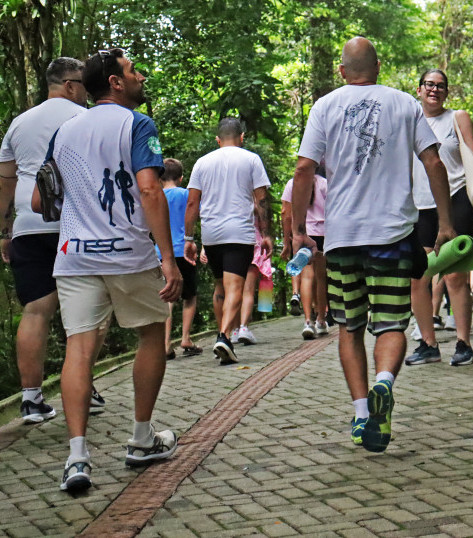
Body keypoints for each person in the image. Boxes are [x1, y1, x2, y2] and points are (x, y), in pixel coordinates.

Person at [291, 37, 455, 454]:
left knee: (350, 326)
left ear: (342, 71)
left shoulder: (325, 106)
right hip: (395, 233)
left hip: (343, 235)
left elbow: (305, 167)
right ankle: (385, 382)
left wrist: (298, 230)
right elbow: (433, 162)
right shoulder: (404, 103)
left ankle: (363, 413)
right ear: (378, 66)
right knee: (392, 324)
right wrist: (446, 224)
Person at [35, 47, 182, 493]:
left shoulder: (65, 131)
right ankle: (141, 439)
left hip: (75, 253)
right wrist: (169, 257)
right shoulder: (137, 124)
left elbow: (42, 200)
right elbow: (149, 190)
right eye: (132, 71)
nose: (139, 76)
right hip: (129, 252)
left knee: (79, 349)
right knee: (152, 333)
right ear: (115, 82)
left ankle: (77, 458)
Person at [0, 57, 106, 424]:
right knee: (93, 308)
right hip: (75, 223)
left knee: (35, 310)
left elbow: (5, 182)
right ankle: (82, 385)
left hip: (28, 225)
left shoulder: (18, 123)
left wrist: (5, 230)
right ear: (70, 85)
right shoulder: (83, 119)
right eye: (84, 86)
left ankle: (31, 400)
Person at [405, 71, 473, 367]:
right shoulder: (408, 118)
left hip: (456, 201)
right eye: (429, 85)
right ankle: (428, 344)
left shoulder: (458, 118)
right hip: (419, 206)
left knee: (454, 277)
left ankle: (464, 343)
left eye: (440, 86)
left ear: (446, 92)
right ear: (419, 89)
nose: (434, 90)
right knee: (419, 277)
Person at [183, 117, 272, 365]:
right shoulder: (251, 159)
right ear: (241, 137)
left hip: (211, 235)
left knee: (219, 287)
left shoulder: (202, 162)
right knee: (235, 287)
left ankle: (221, 336)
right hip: (239, 233)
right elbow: (261, 200)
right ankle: (225, 336)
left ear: (217, 139)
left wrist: (189, 238)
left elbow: (192, 203)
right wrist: (265, 234)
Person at [157, 158, 202, 359]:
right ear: (181, 177)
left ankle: (165, 344)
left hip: (161, 253)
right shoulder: (186, 195)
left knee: (167, 297)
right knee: (189, 296)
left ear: (160, 178)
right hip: (184, 251)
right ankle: (185, 337)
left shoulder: (155, 196)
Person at [281, 171, 329, 339]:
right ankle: (321, 321)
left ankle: (308, 321)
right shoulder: (324, 183)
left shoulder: (292, 184)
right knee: (321, 278)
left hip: (302, 233)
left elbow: (286, 215)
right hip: (323, 234)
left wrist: (287, 241)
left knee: (307, 277)